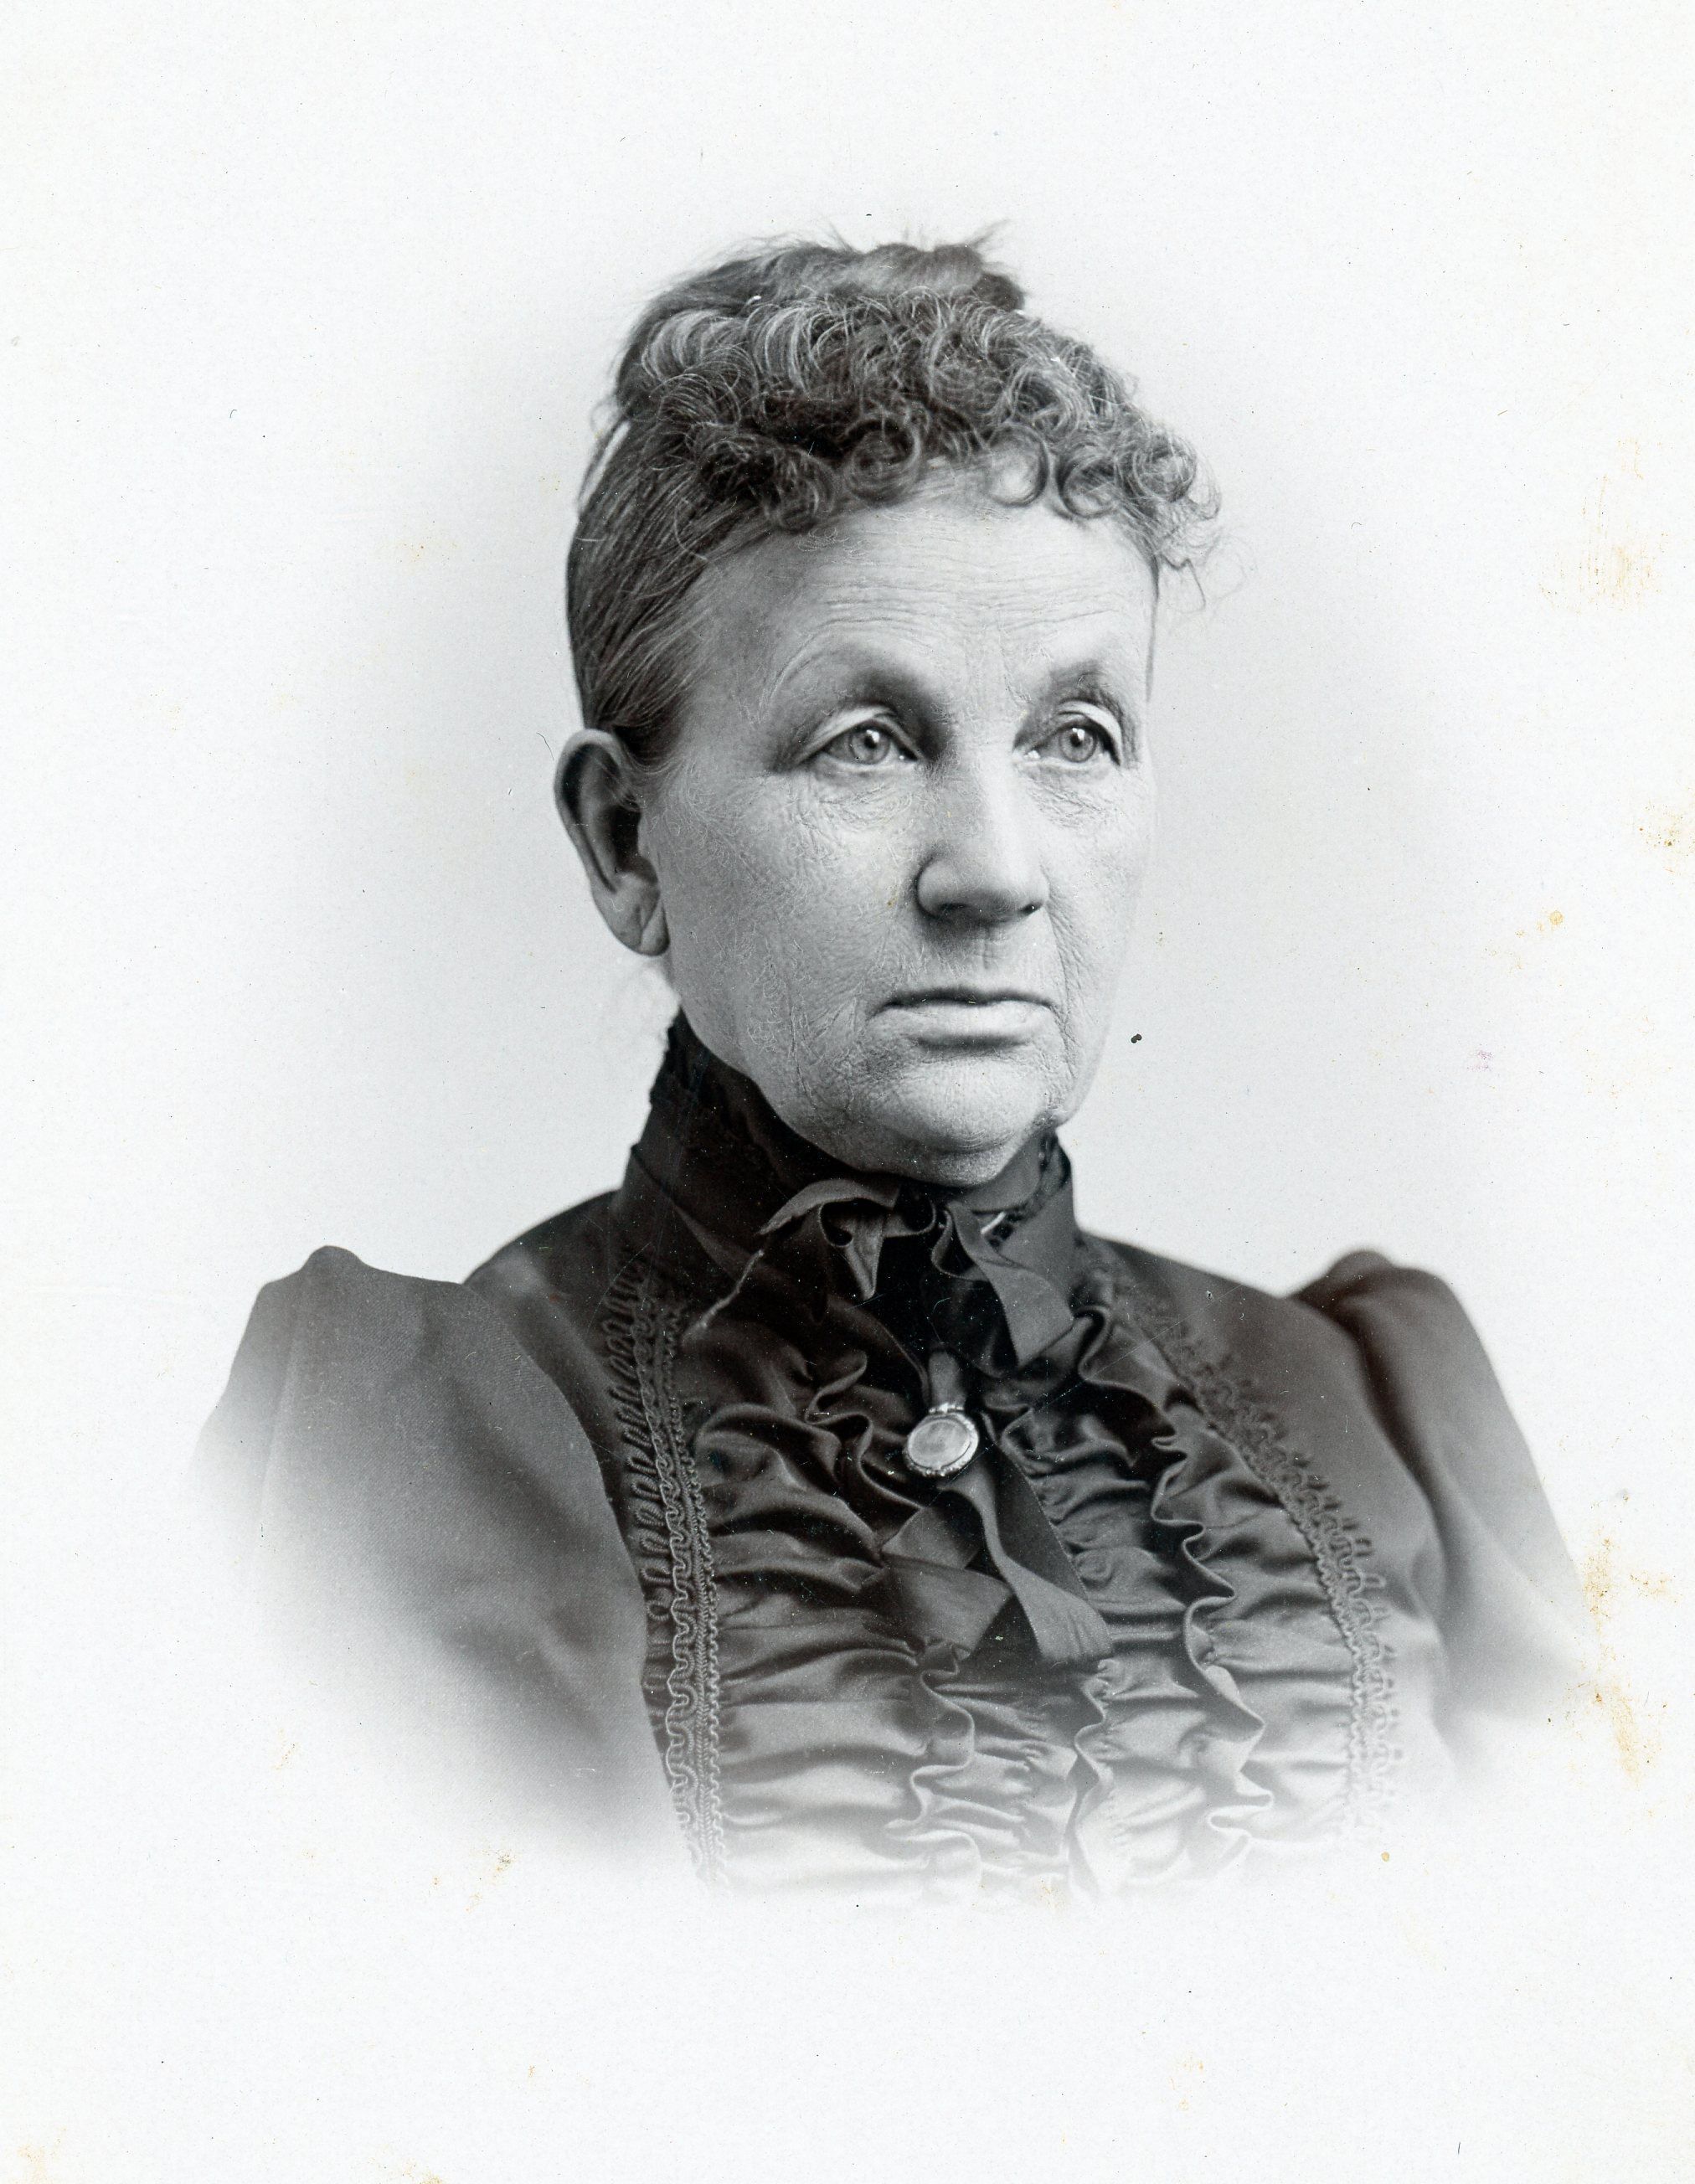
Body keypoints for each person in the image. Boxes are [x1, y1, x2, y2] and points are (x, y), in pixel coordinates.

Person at [198, 236, 1584, 1901]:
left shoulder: (1377, 1418)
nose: (994, 872)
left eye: (1075, 738)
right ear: (626, 841)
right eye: (865, 742)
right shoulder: (407, 1456)